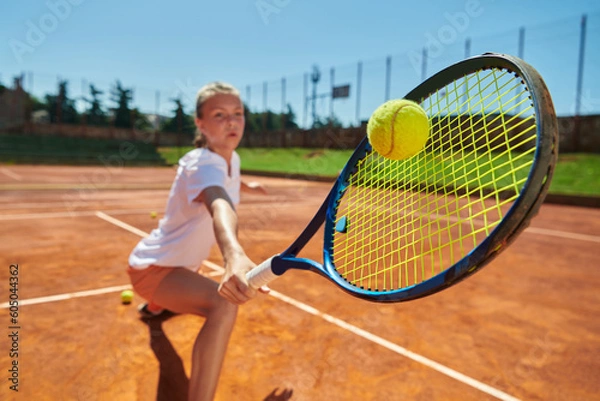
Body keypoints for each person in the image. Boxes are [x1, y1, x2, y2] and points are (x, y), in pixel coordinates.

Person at [127, 81, 267, 401]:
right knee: (222, 303)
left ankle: (154, 309)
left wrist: (247, 185)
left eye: (238, 113)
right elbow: (218, 200)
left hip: (176, 265)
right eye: (219, 114)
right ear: (200, 124)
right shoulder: (201, 162)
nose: (232, 121)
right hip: (153, 269)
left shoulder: (231, 159)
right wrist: (232, 253)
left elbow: (227, 180)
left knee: (187, 279)